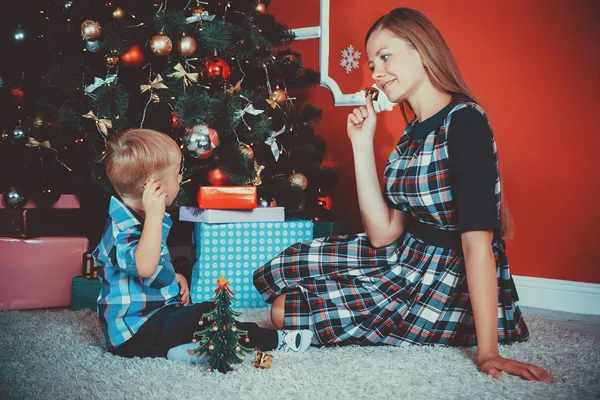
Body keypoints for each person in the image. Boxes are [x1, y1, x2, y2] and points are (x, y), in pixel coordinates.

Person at [253, 8, 553, 382]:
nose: (375, 73)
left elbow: (478, 245)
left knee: (286, 310)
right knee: (291, 263)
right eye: (371, 62)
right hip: (404, 255)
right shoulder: (411, 133)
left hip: (444, 278)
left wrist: (487, 350)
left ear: (422, 51)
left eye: (384, 56)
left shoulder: (466, 122)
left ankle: (460, 324)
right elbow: (383, 233)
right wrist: (360, 145)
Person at [92, 128, 312, 362]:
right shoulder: (122, 229)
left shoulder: (139, 215)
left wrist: (171, 276)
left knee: (198, 315)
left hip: (152, 319)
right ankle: (276, 341)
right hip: (134, 334)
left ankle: (188, 351)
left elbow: (144, 268)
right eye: (177, 173)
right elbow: (144, 266)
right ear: (152, 188)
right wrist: (156, 217)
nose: (179, 178)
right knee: (207, 315)